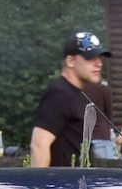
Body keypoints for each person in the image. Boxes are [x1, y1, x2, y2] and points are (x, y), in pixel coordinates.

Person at [29, 32, 116, 167]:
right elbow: (39, 145)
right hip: (63, 180)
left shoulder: (78, 94)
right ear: (70, 61)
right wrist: (43, 180)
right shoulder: (60, 94)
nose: (99, 63)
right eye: (90, 58)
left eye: (99, 58)